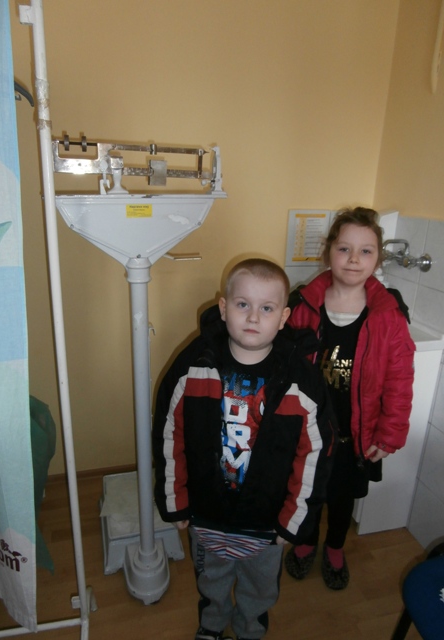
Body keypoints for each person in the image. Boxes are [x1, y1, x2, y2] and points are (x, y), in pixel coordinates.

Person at [152, 258, 336, 640]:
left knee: (260, 588)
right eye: (242, 304)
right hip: (206, 514)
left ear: (283, 318)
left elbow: (315, 456)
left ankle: (250, 627)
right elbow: (169, 434)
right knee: (211, 580)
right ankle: (212, 624)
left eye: (266, 308)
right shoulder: (194, 367)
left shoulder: (300, 382)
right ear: (223, 308)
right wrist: (175, 500)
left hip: (266, 522)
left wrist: (293, 520)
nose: (253, 317)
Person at [284, 206, 415, 591]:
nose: (354, 259)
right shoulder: (303, 305)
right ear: (329, 251)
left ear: (378, 258)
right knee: (306, 491)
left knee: (342, 497)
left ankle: (335, 546)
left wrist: (389, 435)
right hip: (309, 431)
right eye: (344, 249)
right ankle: (306, 541)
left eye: (365, 251)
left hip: (355, 433)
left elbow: (400, 380)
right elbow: (282, 367)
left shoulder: (388, 314)